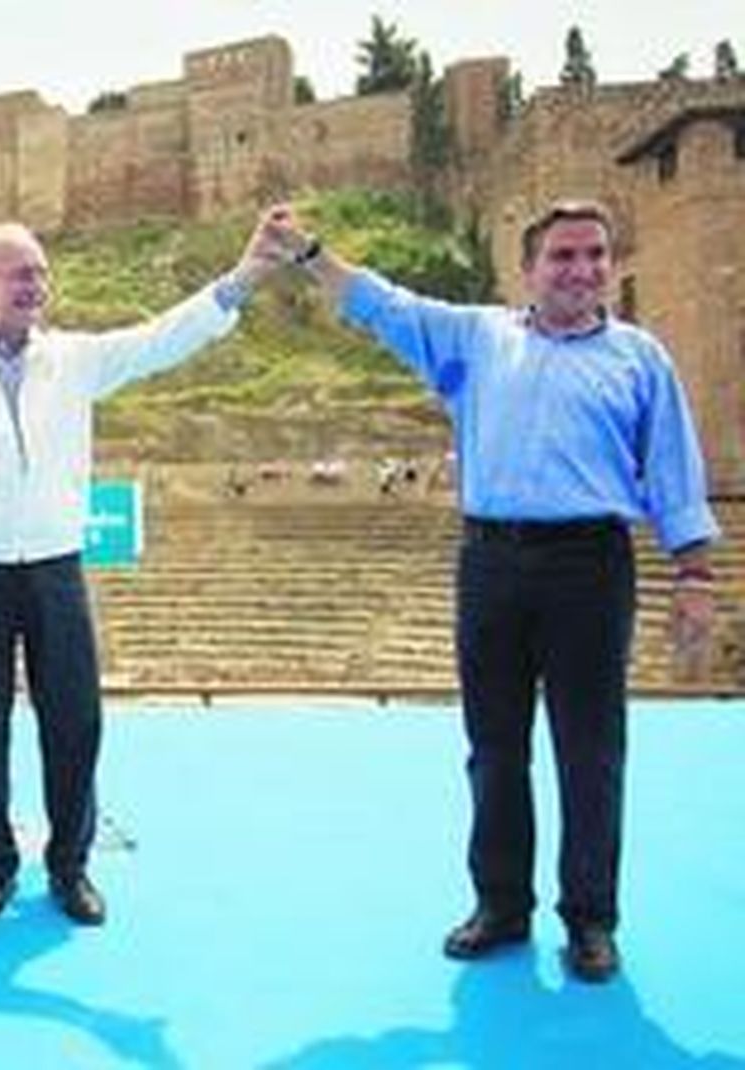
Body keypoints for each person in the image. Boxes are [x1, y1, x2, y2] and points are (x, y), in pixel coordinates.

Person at [260, 199, 719, 981]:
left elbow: (674, 471)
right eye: (563, 256)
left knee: (592, 752)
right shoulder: (476, 338)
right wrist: (308, 253)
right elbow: (383, 304)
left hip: (590, 566)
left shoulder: (641, 358)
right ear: (528, 268)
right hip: (492, 564)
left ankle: (590, 919)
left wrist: (695, 576)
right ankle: (502, 906)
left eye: (596, 255)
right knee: (494, 749)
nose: (582, 270)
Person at [0, 201, 283, 926]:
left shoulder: (77, 359)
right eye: (19, 274)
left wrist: (246, 273)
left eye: (42, 273)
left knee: (76, 720)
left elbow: (163, 338)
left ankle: (70, 866)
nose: (36, 285)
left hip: (55, 567)